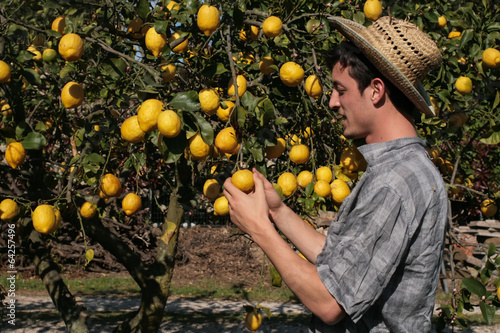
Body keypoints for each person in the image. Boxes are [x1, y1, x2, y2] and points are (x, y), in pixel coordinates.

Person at [223, 16, 448, 332]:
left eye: (340, 90)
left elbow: (330, 302)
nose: (332, 101)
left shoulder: (395, 182)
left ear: (376, 91)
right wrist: (277, 212)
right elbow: (341, 264)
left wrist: (259, 228)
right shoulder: (401, 170)